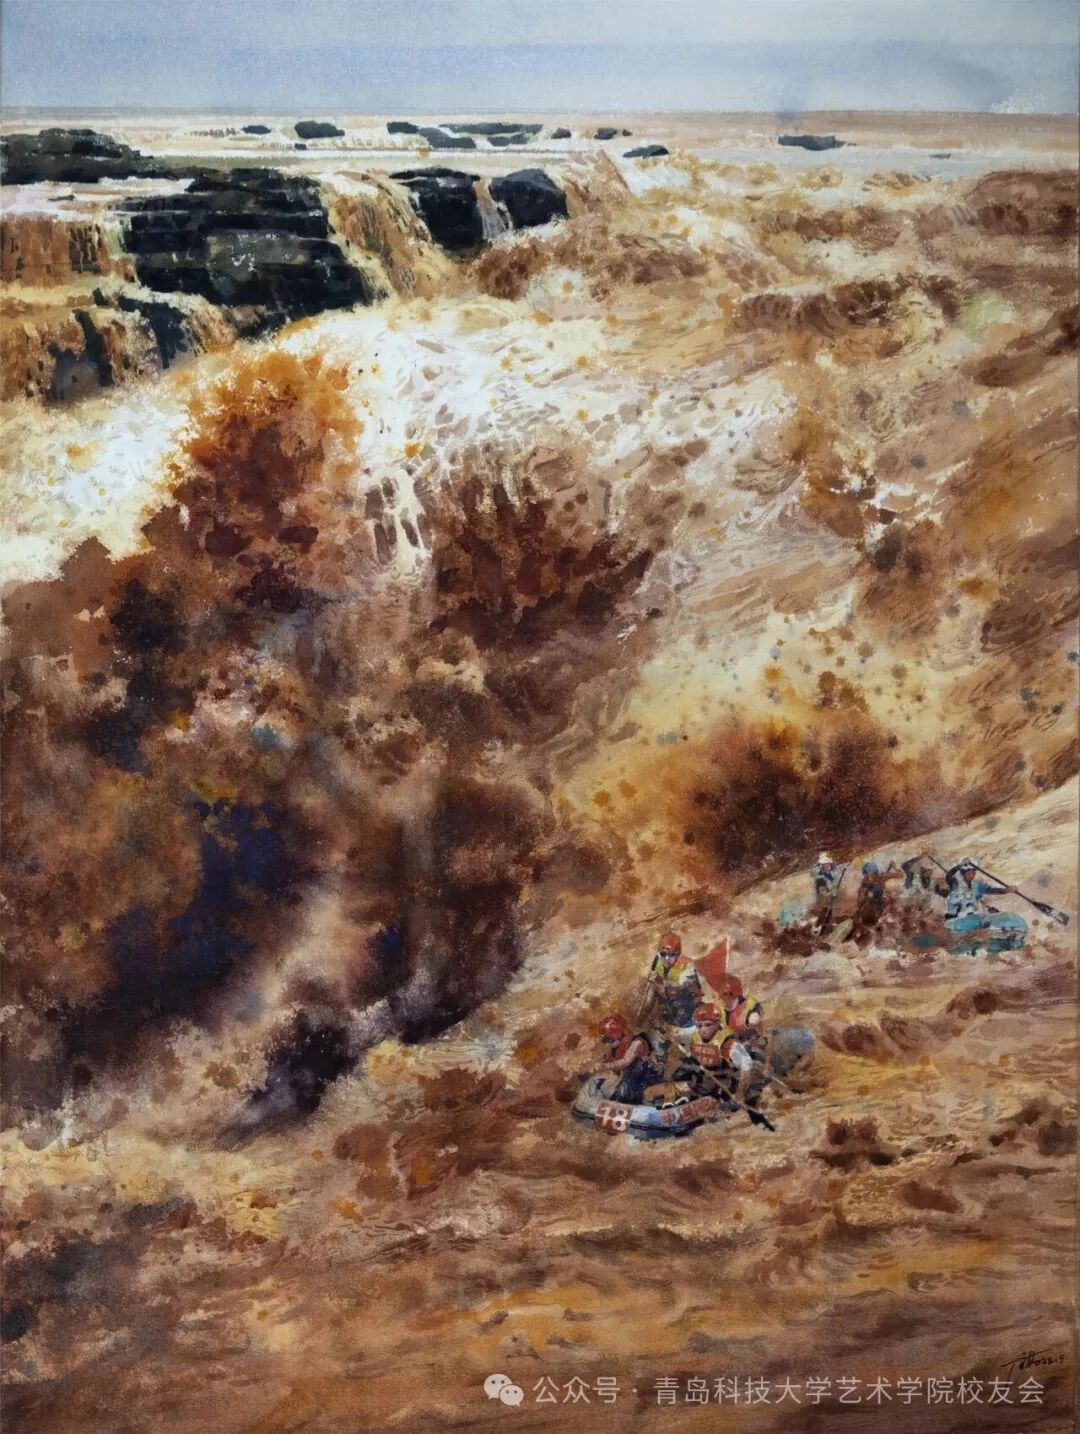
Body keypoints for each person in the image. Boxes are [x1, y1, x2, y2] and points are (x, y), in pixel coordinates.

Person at [944, 859, 1027, 950]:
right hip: (957, 921)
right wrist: (960, 865)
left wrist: (1005, 890)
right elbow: (949, 876)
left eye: (973, 873)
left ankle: (1012, 941)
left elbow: (990, 890)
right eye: (969, 873)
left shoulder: (976, 885)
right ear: (963, 873)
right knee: (985, 922)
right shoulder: (955, 884)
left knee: (991, 918)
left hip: (973, 918)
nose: (971, 875)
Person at [598, 1015, 665, 1104]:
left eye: (608, 1039)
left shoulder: (637, 1042)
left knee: (627, 1092)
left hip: (646, 1077)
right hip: (633, 1080)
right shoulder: (619, 1049)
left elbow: (625, 1062)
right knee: (622, 1094)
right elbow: (617, 1070)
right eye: (605, 1040)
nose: (607, 1043)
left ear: (619, 1035)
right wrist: (609, 1061)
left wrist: (606, 1066)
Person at [646, 932, 703, 1028]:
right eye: (663, 954)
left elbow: (696, 996)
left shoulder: (687, 967)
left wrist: (665, 986)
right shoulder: (656, 960)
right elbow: (652, 983)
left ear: (678, 954)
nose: (666, 958)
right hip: (667, 1002)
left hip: (685, 1008)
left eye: (671, 954)